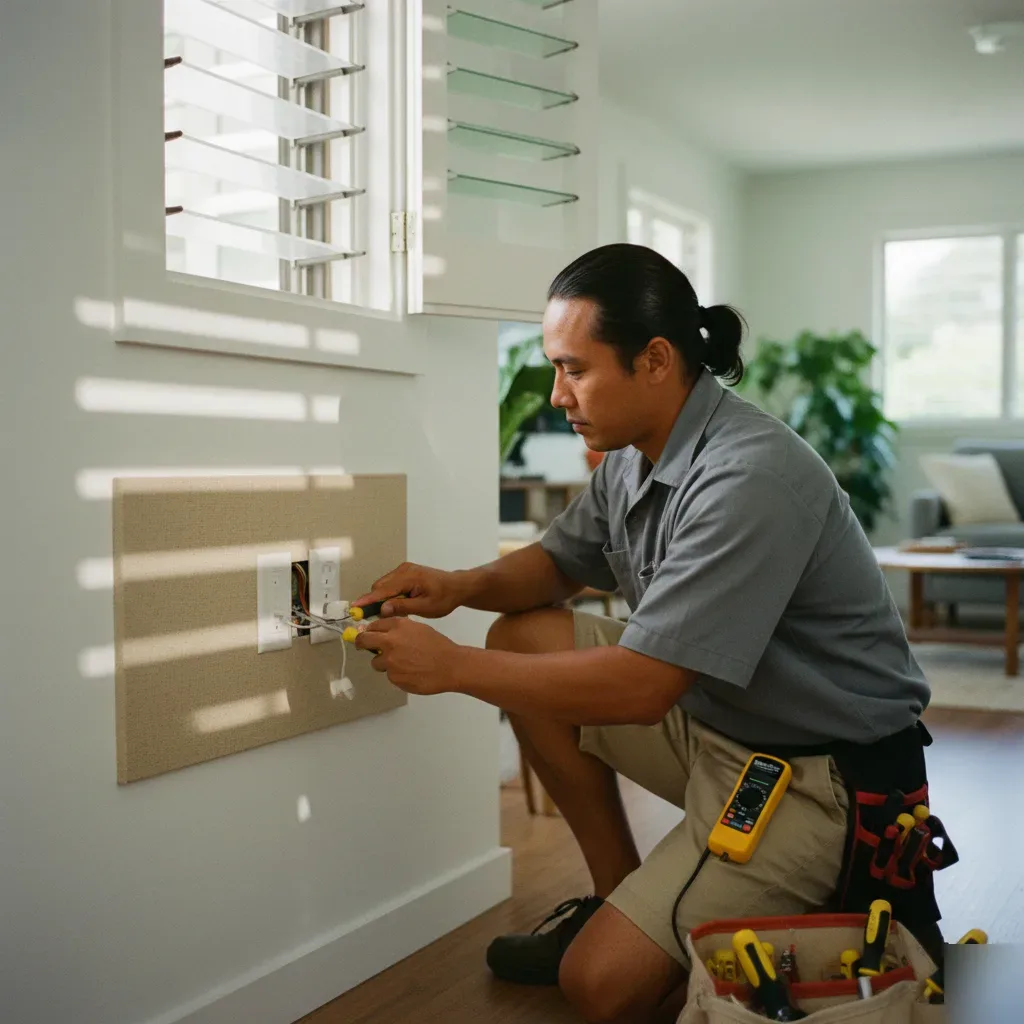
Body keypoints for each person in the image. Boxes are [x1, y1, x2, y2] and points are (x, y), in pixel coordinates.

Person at [352, 243, 939, 1024]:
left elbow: (639, 687)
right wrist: (458, 589)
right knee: (522, 637)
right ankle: (614, 899)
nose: (559, 395)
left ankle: (815, 884)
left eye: (575, 368)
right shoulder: (635, 455)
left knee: (599, 986)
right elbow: (557, 565)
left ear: (655, 360)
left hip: (813, 777)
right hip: (717, 724)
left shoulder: (748, 475)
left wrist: (451, 668)